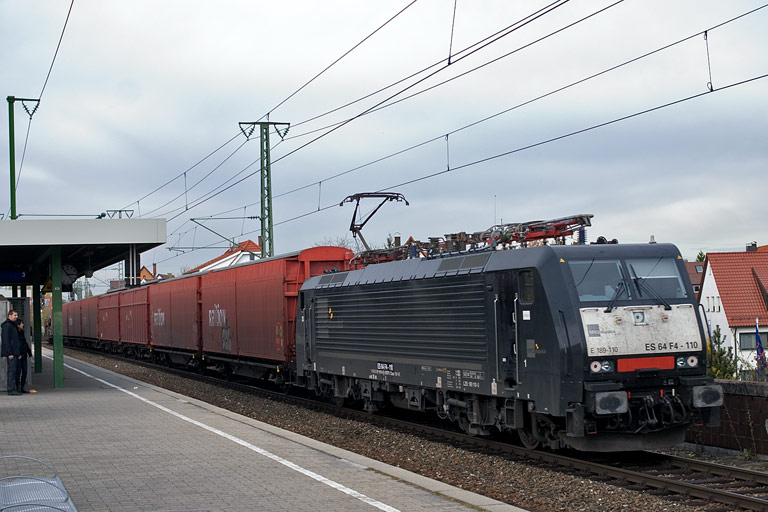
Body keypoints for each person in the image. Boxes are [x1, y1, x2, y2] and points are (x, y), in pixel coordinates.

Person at [1, 310, 21, 395]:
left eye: (17, 315)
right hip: (11, 353)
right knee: (12, 371)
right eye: (15, 315)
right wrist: (9, 353)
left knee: (14, 370)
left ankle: (14, 388)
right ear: (9, 316)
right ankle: (11, 389)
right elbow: (6, 340)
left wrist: (18, 353)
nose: (16, 317)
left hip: (15, 352)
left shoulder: (12, 325)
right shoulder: (7, 326)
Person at [16, 318, 32, 393]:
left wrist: (29, 352)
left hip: (23, 355)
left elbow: (24, 343)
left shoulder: (22, 332)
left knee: (24, 371)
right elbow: (17, 345)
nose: (23, 325)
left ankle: (22, 387)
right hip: (19, 355)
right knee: (18, 372)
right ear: (18, 325)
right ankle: (18, 387)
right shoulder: (15, 334)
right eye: (22, 323)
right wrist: (19, 354)